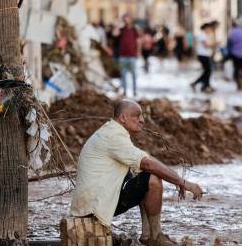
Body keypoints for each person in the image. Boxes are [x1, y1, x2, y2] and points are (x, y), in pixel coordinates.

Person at [70, 99, 204, 246]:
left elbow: (143, 161)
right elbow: (147, 163)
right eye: (137, 115)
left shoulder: (113, 132)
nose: (142, 120)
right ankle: (155, 235)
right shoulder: (113, 137)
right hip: (94, 207)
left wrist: (174, 178)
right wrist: (183, 182)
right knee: (152, 177)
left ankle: (147, 235)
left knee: (141, 174)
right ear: (123, 118)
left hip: (92, 204)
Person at [114, 14, 141, 97]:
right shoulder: (121, 29)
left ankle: (134, 90)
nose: (126, 20)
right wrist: (118, 25)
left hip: (132, 55)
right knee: (123, 75)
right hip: (122, 56)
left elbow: (138, 41)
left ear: (130, 19)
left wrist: (139, 51)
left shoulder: (134, 30)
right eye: (124, 19)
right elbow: (115, 34)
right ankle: (125, 91)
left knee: (133, 74)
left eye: (127, 18)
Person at [190, 22, 217, 93]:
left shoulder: (204, 35)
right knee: (207, 71)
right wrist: (215, 44)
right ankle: (204, 85)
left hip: (204, 54)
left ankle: (204, 85)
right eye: (209, 28)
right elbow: (206, 45)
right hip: (203, 55)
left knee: (207, 71)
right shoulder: (202, 35)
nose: (209, 30)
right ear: (205, 28)